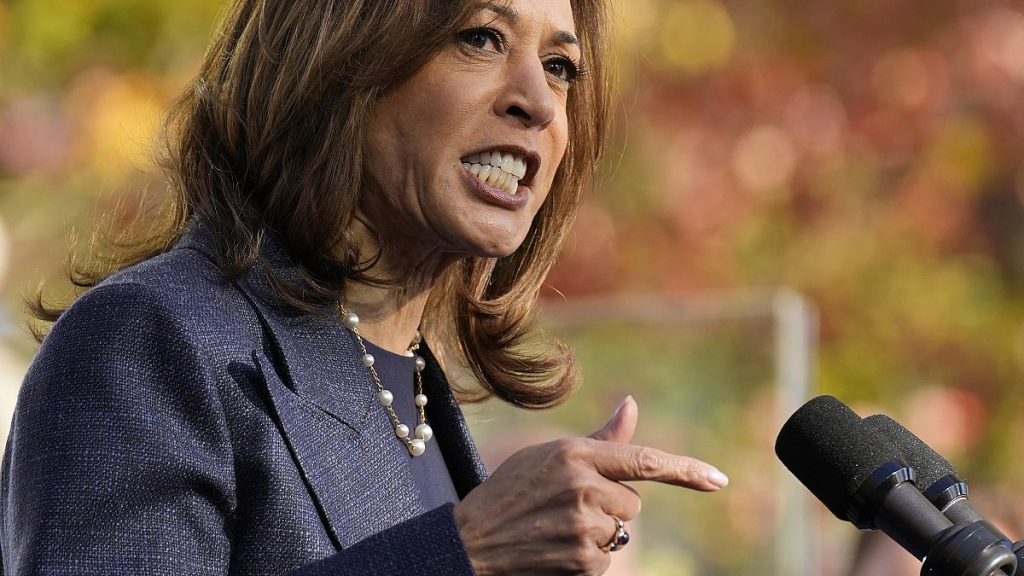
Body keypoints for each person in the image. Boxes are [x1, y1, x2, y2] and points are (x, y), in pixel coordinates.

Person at [1, 0, 729, 574]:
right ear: (337, 60)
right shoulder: (146, 344)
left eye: (562, 66)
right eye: (480, 37)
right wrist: (465, 553)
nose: (538, 101)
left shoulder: (412, 385)